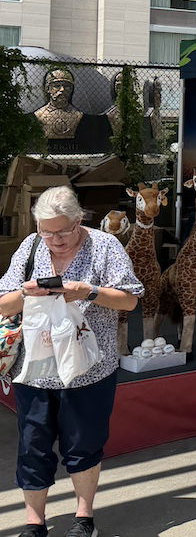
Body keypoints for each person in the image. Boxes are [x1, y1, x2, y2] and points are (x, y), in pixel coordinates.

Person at [0, 186, 143, 537]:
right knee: (33, 447)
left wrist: (86, 291)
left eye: (63, 231)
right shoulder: (31, 246)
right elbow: (4, 304)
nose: (55, 239)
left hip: (89, 370)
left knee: (83, 444)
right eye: (47, 231)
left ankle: (84, 519)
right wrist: (26, 292)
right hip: (34, 372)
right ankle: (35, 524)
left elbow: (129, 302)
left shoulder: (104, 246)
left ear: (80, 220)